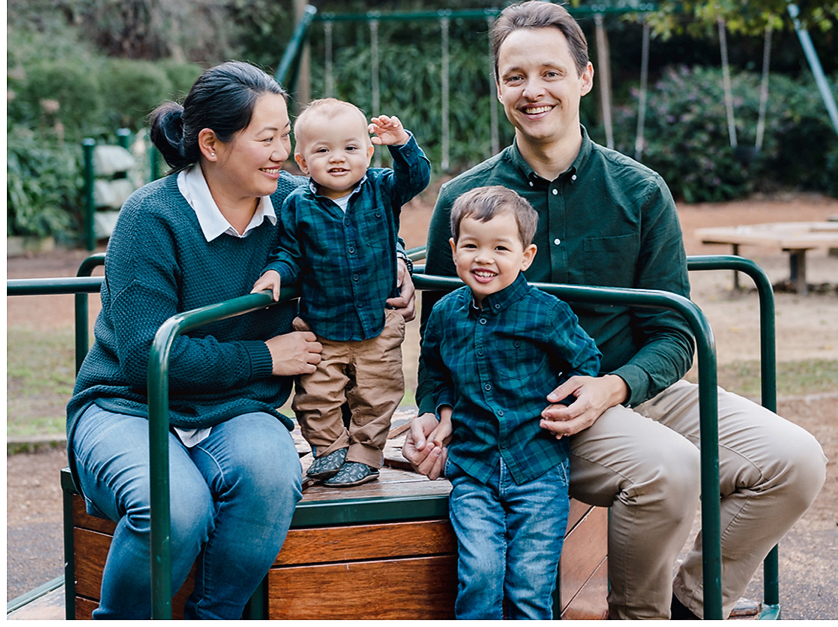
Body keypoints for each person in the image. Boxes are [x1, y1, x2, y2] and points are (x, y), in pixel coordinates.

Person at [405, 0, 825, 619]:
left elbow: (674, 335)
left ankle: (690, 603)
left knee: (794, 460)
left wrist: (613, 387)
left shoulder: (638, 190)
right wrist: (435, 412)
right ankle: (638, 615)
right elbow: (440, 340)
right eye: (515, 76)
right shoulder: (467, 200)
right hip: (524, 413)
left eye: (550, 72)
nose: (532, 90)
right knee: (668, 469)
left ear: (584, 78)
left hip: (628, 388)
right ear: (499, 89)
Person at [66, 63, 317, 618]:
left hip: (233, 408)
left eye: (287, 136)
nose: (286, 153)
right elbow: (142, 357)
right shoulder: (152, 215)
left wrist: (393, 261)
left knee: (273, 476)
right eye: (268, 138)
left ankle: (215, 616)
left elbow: (359, 222)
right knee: (177, 509)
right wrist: (265, 357)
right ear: (211, 143)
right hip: (129, 404)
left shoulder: (297, 204)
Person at [409, 186, 603, 619]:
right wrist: (442, 409)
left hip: (536, 465)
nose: (484, 258)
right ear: (454, 249)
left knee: (529, 587)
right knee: (479, 574)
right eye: (472, 246)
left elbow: (586, 360)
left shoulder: (546, 313)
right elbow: (434, 369)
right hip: (473, 468)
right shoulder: (445, 313)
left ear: (526, 255)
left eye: (500, 247)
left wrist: (569, 402)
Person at [252, 100, 431, 488]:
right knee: (316, 394)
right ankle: (328, 449)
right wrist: (274, 273)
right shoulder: (297, 205)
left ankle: (365, 456)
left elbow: (416, 177)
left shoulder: (382, 188)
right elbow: (290, 252)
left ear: (368, 153)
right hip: (322, 325)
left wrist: (400, 143)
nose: (337, 159)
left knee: (377, 393)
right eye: (322, 150)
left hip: (376, 324)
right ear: (302, 162)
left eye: (350, 148)